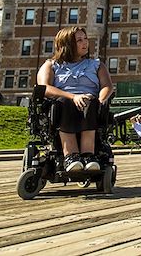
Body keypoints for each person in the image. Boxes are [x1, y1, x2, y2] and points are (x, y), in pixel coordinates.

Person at [36, 26, 112, 172]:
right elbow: (44, 87)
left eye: (85, 39)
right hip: (62, 103)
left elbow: (107, 86)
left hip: (89, 103)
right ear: (66, 44)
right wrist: (73, 96)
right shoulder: (51, 65)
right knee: (65, 103)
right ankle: (71, 155)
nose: (85, 43)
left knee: (90, 102)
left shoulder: (96, 65)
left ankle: (88, 155)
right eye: (79, 40)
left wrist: (100, 100)